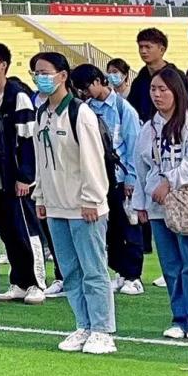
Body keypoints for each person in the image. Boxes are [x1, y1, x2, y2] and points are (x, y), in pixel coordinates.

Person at [31, 53, 116, 354]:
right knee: (70, 271)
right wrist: (41, 196)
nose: (39, 77)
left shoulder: (80, 113)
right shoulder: (42, 114)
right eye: (35, 72)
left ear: (63, 75)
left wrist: (92, 199)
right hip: (56, 206)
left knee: (93, 269)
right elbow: (41, 160)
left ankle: (102, 330)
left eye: (45, 72)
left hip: (84, 207)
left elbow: (92, 160)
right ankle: (84, 325)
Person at [133, 66, 188, 341]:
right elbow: (140, 168)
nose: (157, 95)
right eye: (153, 89)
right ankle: (180, 318)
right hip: (159, 207)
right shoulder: (149, 128)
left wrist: (169, 181)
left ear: (176, 92)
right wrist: (140, 203)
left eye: (163, 89)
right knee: (171, 266)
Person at [0, 43, 46, 304]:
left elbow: (28, 140)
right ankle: (19, 281)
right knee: (7, 231)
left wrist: (25, 177)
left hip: (17, 177)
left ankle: (37, 283)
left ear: (3, 64)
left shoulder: (18, 96)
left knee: (26, 229)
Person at [71, 64, 144, 296]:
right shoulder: (86, 108)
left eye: (86, 87)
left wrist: (132, 178)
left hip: (122, 178)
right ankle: (120, 272)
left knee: (129, 228)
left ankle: (134, 276)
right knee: (110, 230)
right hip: (100, 178)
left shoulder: (123, 109)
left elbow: (134, 146)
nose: (84, 93)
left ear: (97, 81)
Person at [127, 28, 188, 123]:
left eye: (148, 47)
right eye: (140, 47)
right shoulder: (139, 80)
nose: (143, 51)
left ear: (162, 49)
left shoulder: (178, 78)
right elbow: (131, 111)